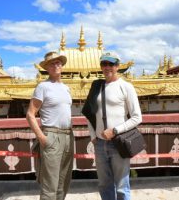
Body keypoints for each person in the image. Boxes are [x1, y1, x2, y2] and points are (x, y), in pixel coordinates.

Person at [82, 51, 142, 200]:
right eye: (104, 64)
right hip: (100, 144)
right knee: (104, 184)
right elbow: (89, 113)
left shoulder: (126, 87)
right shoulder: (96, 86)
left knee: (122, 186)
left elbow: (137, 117)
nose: (107, 67)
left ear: (118, 66)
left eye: (111, 64)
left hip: (119, 142)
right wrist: (93, 135)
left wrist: (115, 131)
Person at [26, 51, 74, 200]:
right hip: (51, 135)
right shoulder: (43, 87)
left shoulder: (66, 88)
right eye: (52, 63)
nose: (56, 65)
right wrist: (41, 137)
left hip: (68, 135)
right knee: (50, 184)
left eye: (58, 62)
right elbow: (30, 114)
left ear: (62, 65)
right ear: (46, 67)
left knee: (64, 181)